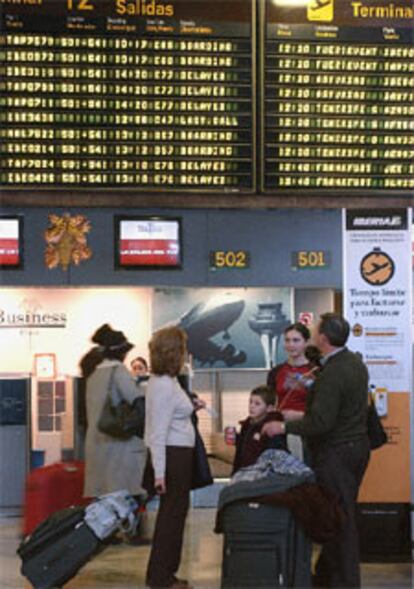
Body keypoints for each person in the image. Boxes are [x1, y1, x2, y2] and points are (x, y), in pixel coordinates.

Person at [262, 313, 370, 588]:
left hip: (337, 452)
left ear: (322, 338)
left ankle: (346, 582)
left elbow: (322, 422)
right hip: (356, 448)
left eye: (312, 331)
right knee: (336, 512)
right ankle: (324, 578)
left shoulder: (333, 372)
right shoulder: (354, 362)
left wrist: (283, 427)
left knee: (340, 519)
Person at [145, 326, 196, 589]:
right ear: (174, 352)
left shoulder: (165, 381)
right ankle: (161, 577)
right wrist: (160, 472)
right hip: (173, 458)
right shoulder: (164, 385)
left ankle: (164, 574)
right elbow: (157, 433)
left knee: (173, 518)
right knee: (171, 520)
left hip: (176, 455)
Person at [80, 324, 147, 502]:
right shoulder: (118, 370)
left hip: (96, 444)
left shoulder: (94, 373)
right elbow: (136, 399)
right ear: (121, 352)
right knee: (125, 499)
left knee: (104, 502)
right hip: (118, 447)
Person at [267, 322, 319, 460]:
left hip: (307, 430)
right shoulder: (276, 372)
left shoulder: (317, 372)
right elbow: (269, 402)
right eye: (287, 340)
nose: (291, 345)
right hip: (281, 429)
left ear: (306, 342)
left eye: (296, 340)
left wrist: (300, 415)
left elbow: (323, 407)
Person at [232, 385, 287, 474]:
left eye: (257, 404)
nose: (251, 406)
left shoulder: (273, 428)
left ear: (269, 408)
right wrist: (236, 438)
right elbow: (241, 451)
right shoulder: (247, 424)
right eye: (250, 402)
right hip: (244, 473)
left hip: (262, 476)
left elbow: (276, 454)